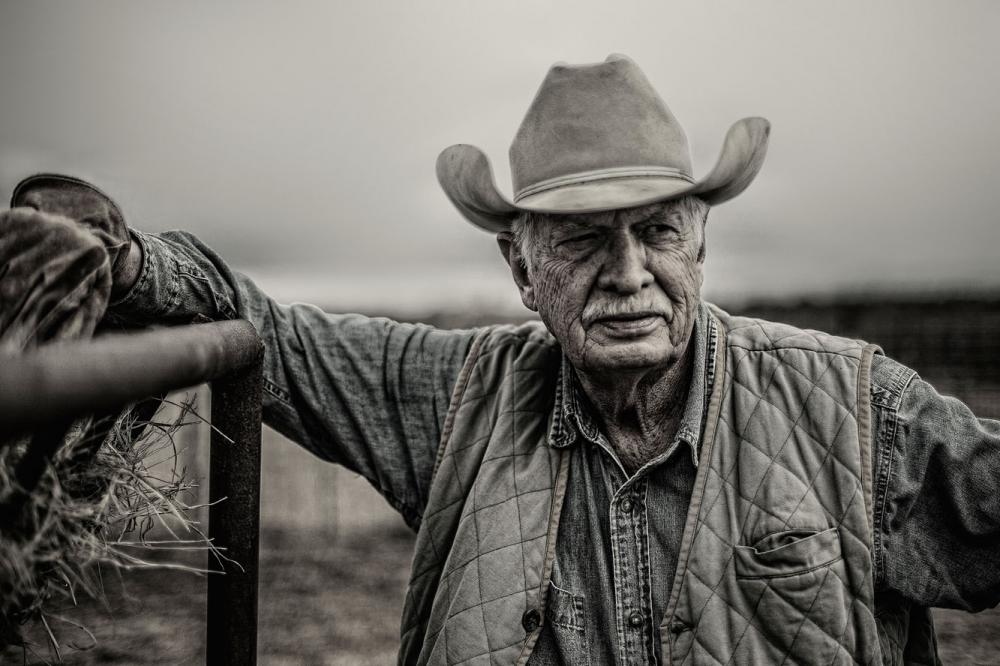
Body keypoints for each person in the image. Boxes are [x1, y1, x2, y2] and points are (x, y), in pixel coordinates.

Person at [3, 53, 998, 665]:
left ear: (700, 244)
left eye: (655, 231)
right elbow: (265, 327)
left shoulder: (851, 406)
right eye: (578, 239)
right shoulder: (454, 396)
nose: (626, 272)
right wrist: (129, 263)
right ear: (520, 266)